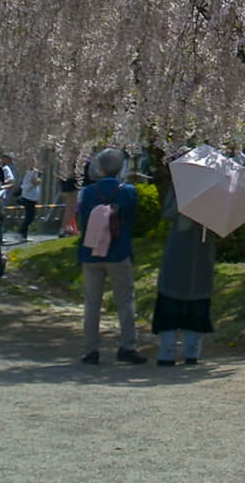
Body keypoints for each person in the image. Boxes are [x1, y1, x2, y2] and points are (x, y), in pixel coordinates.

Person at [77, 147, 144, 363]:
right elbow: (132, 220)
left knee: (92, 303)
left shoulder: (88, 192)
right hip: (118, 251)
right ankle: (127, 346)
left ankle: (91, 350)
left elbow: (82, 222)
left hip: (91, 252)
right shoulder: (128, 191)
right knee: (125, 300)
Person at [153, 162, 216, 362]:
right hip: (195, 251)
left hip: (191, 250)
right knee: (189, 300)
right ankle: (184, 352)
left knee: (180, 299)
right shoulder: (214, 192)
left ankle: (178, 353)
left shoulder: (181, 186)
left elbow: (167, 213)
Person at [16, 166, 43, 241]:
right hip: (27, 198)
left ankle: (23, 234)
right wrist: (34, 184)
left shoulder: (35, 172)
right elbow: (26, 186)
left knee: (30, 217)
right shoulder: (30, 173)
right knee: (29, 217)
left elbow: (36, 186)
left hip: (32, 198)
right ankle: (21, 233)